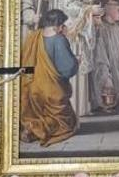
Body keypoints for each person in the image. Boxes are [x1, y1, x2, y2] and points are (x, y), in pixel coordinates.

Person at [49, 0, 100, 117]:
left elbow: (79, 3)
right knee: (72, 67)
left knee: (79, 67)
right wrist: (89, 10)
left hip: (76, 33)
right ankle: (74, 109)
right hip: (71, 33)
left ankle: (81, 107)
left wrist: (90, 9)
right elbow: (67, 8)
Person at [20, 8, 80, 146]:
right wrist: (76, 61)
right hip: (52, 92)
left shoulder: (33, 36)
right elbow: (67, 69)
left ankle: (31, 127)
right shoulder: (59, 40)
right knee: (67, 122)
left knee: (42, 112)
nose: (65, 28)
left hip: (32, 91)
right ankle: (37, 129)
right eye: (64, 25)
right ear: (58, 26)